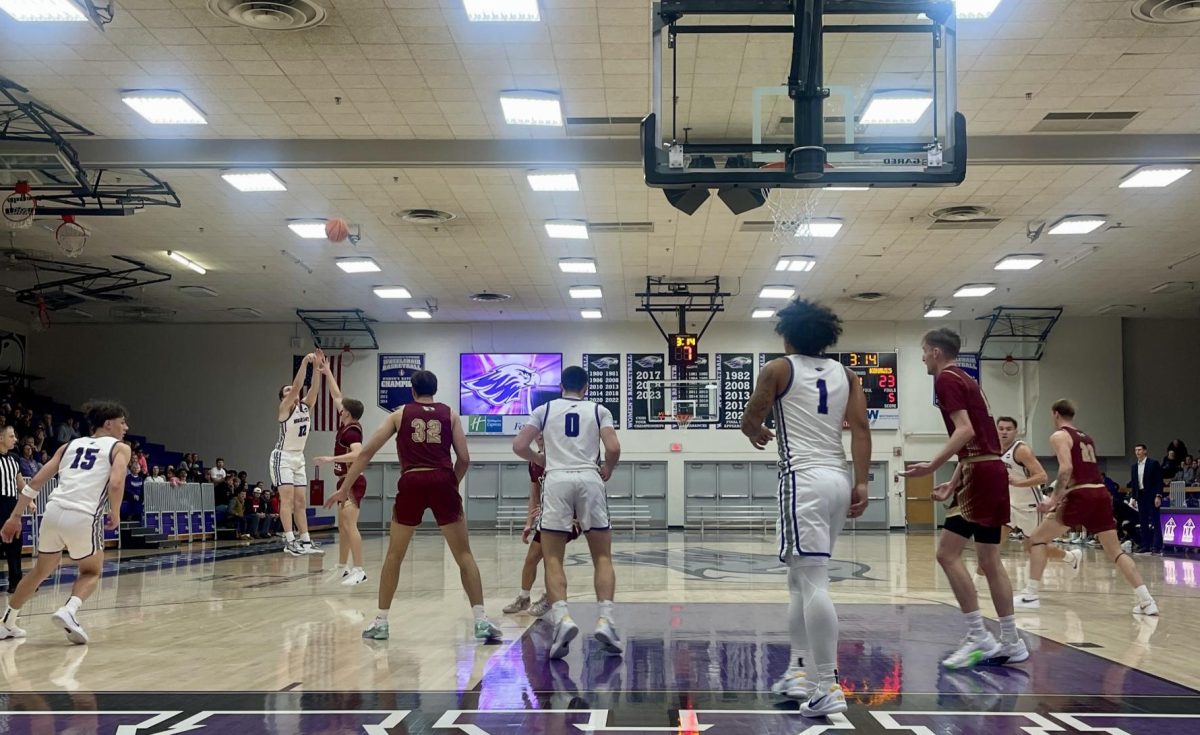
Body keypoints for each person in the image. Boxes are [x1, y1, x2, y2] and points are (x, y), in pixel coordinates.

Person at [736, 299, 870, 716]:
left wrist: (756, 430)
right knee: (801, 579)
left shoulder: (777, 369)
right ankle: (800, 670)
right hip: (838, 477)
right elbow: (862, 428)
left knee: (812, 580)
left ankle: (827, 683)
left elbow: (749, 417)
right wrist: (863, 481)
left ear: (787, 334)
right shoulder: (848, 374)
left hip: (803, 480)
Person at [340, 370, 501, 642]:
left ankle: (381, 622)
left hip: (412, 479)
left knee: (394, 555)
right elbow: (464, 458)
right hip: (442, 479)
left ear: (412, 390)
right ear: (435, 390)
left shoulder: (399, 414)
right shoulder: (450, 414)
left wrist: (344, 488)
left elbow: (367, 452)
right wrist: (452, 483)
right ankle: (481, 620)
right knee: (464, 555)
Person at [901, 328, 1027, 669]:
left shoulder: (945, 380)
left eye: (924, 351)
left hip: (981, 475)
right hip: (988, 471)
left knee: (947, 553)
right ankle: (1012, 641)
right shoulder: (969, 380)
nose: (923, 357)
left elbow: (966, 431)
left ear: (937, 352)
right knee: (989, 561)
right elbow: (982, 446)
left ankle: (978, 634)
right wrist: (952, 482)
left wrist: (932, 465)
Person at [513, 365, 623, 660]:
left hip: (558, 480)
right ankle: (606, 620)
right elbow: (613, 447)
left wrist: (539, 458)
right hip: (590, 479)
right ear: (586, 387)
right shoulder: (599, 410)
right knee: (602, 556)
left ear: (561, 385)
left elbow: (519, 444)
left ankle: (562, 618)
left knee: (552, 557)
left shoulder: (544, 409)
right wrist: (608, 467)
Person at [0, 401, 132, 644]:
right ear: (108, 423)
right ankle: (69, 611)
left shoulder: (69, 445)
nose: (126, 427)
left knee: (39, 572)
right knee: (91, 571)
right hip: (83, 515)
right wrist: (115, 511)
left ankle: (7, 622)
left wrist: (15, 516)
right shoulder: (120, 448)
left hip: (53, 512)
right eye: (122, 422)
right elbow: (115, 483)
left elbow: (36, 481)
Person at [1015, 400, 1159, 616]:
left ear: (1055, 414)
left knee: (1035, 540)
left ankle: (1031, 593)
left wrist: (1052, 500)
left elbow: (1066, 470)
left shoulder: (1059, 436)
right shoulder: (1087, 438)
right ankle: (1147, 601)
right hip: (1101, 494)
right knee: (1116, 552)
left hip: (1081, 494)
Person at [502, 436, 579, 619]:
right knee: (532, 559)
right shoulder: (534, 462)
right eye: (536, 432)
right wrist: (529, 523)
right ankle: (524, 597)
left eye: (543, 432)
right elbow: (534, 495)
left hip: (568, 518)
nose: (539, 436)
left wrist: (579, 515)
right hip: (548, 517)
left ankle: (550, 598)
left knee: (548, 557)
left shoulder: (562, 458)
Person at [315, 358, 368, 586]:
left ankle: (359, 570)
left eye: (342, 409)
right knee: (342, 526)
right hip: (343, 482)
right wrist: (327, 372)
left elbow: (359, 454)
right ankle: (343, 566)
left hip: (353, 481)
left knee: (349, 525)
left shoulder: (352, 433)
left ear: (347, 413)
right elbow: (337, 396)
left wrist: (331, 459)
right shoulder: (346, 423)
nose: (339, 409)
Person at [272, 351, 324, 556]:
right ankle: (289, 540)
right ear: (284, 397)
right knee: (287, 501)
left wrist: (318, 369)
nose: (291, 391)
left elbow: (314, 390)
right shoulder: (284, 408)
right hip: (282, 457)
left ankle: (306, 541)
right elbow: (297, 387)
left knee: (301, 501)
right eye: (287, 391)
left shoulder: (304, 407)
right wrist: (304, 362)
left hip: (298, 457)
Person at [995, 417, 1049, 540]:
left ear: (1016, 432)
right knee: (994, 542)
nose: (1004, 432)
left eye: (1008, 429)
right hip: (1010, 505)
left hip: (1029, 506)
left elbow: (1043, 477)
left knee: (1035, 546)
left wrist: (1018, 483)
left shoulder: (1021, 450)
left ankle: (1070, 557)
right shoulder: (994, 450)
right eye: (1001, 429)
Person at [0, 427, 24, 595]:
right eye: (11, 436)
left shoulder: (15, 459)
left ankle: (16, 582)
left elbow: (20, 482)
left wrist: (29, 501)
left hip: (12, 504)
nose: (15, 439)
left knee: (15, 544)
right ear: (1, 438)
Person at [1129, 444, 1164, 554]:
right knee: (1143, 521)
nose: (1137, 452)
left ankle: (1157, 545)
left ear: (1145, 451)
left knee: (1155, 520)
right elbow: (1135, 484)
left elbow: (1159, 480)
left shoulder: (1153, 464)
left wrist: (1158, 495)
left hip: (1151, 495)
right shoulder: (1134, 467)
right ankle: (1146, 545)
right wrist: (1133, 498)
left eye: (1139, 450)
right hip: (1141, 496)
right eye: (1136, 450)